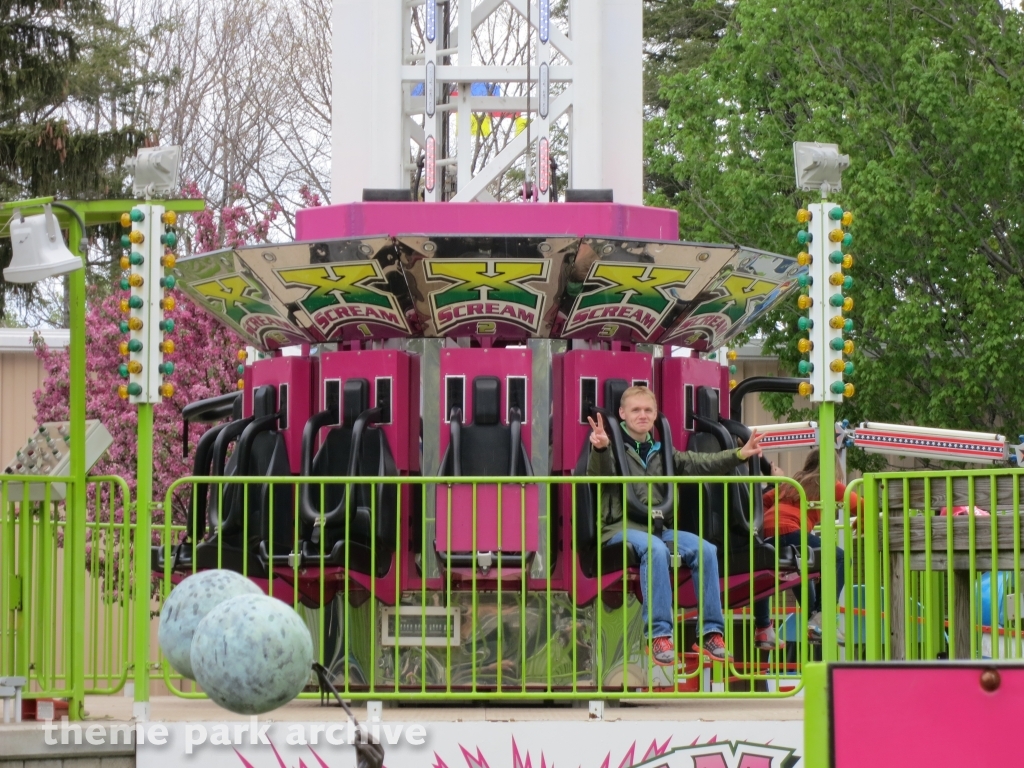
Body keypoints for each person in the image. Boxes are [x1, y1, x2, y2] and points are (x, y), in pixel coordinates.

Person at [586, 386, 764, 665]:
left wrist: (739, 455)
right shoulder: (609, 445)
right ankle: (658, 635)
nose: (642, 415)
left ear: (655, 414)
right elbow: (599, 476)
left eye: (647, 410)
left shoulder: (662, 452)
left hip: (657, 529)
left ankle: (710, 632)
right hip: (619, 529)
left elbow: (701, 464)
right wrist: (600, 448)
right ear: (622, 413)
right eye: (635, 410)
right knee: (655, 549)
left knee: (705, 550)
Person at [752, 451, 858, 649]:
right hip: (791, 530)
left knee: (798, 571)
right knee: (840, 559)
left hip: (767, 533)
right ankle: (822, 616)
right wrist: (860, 521)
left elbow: (764, 500)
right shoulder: (826, 483)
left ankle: (767, 627)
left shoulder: (792, 483)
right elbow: (860, 505)